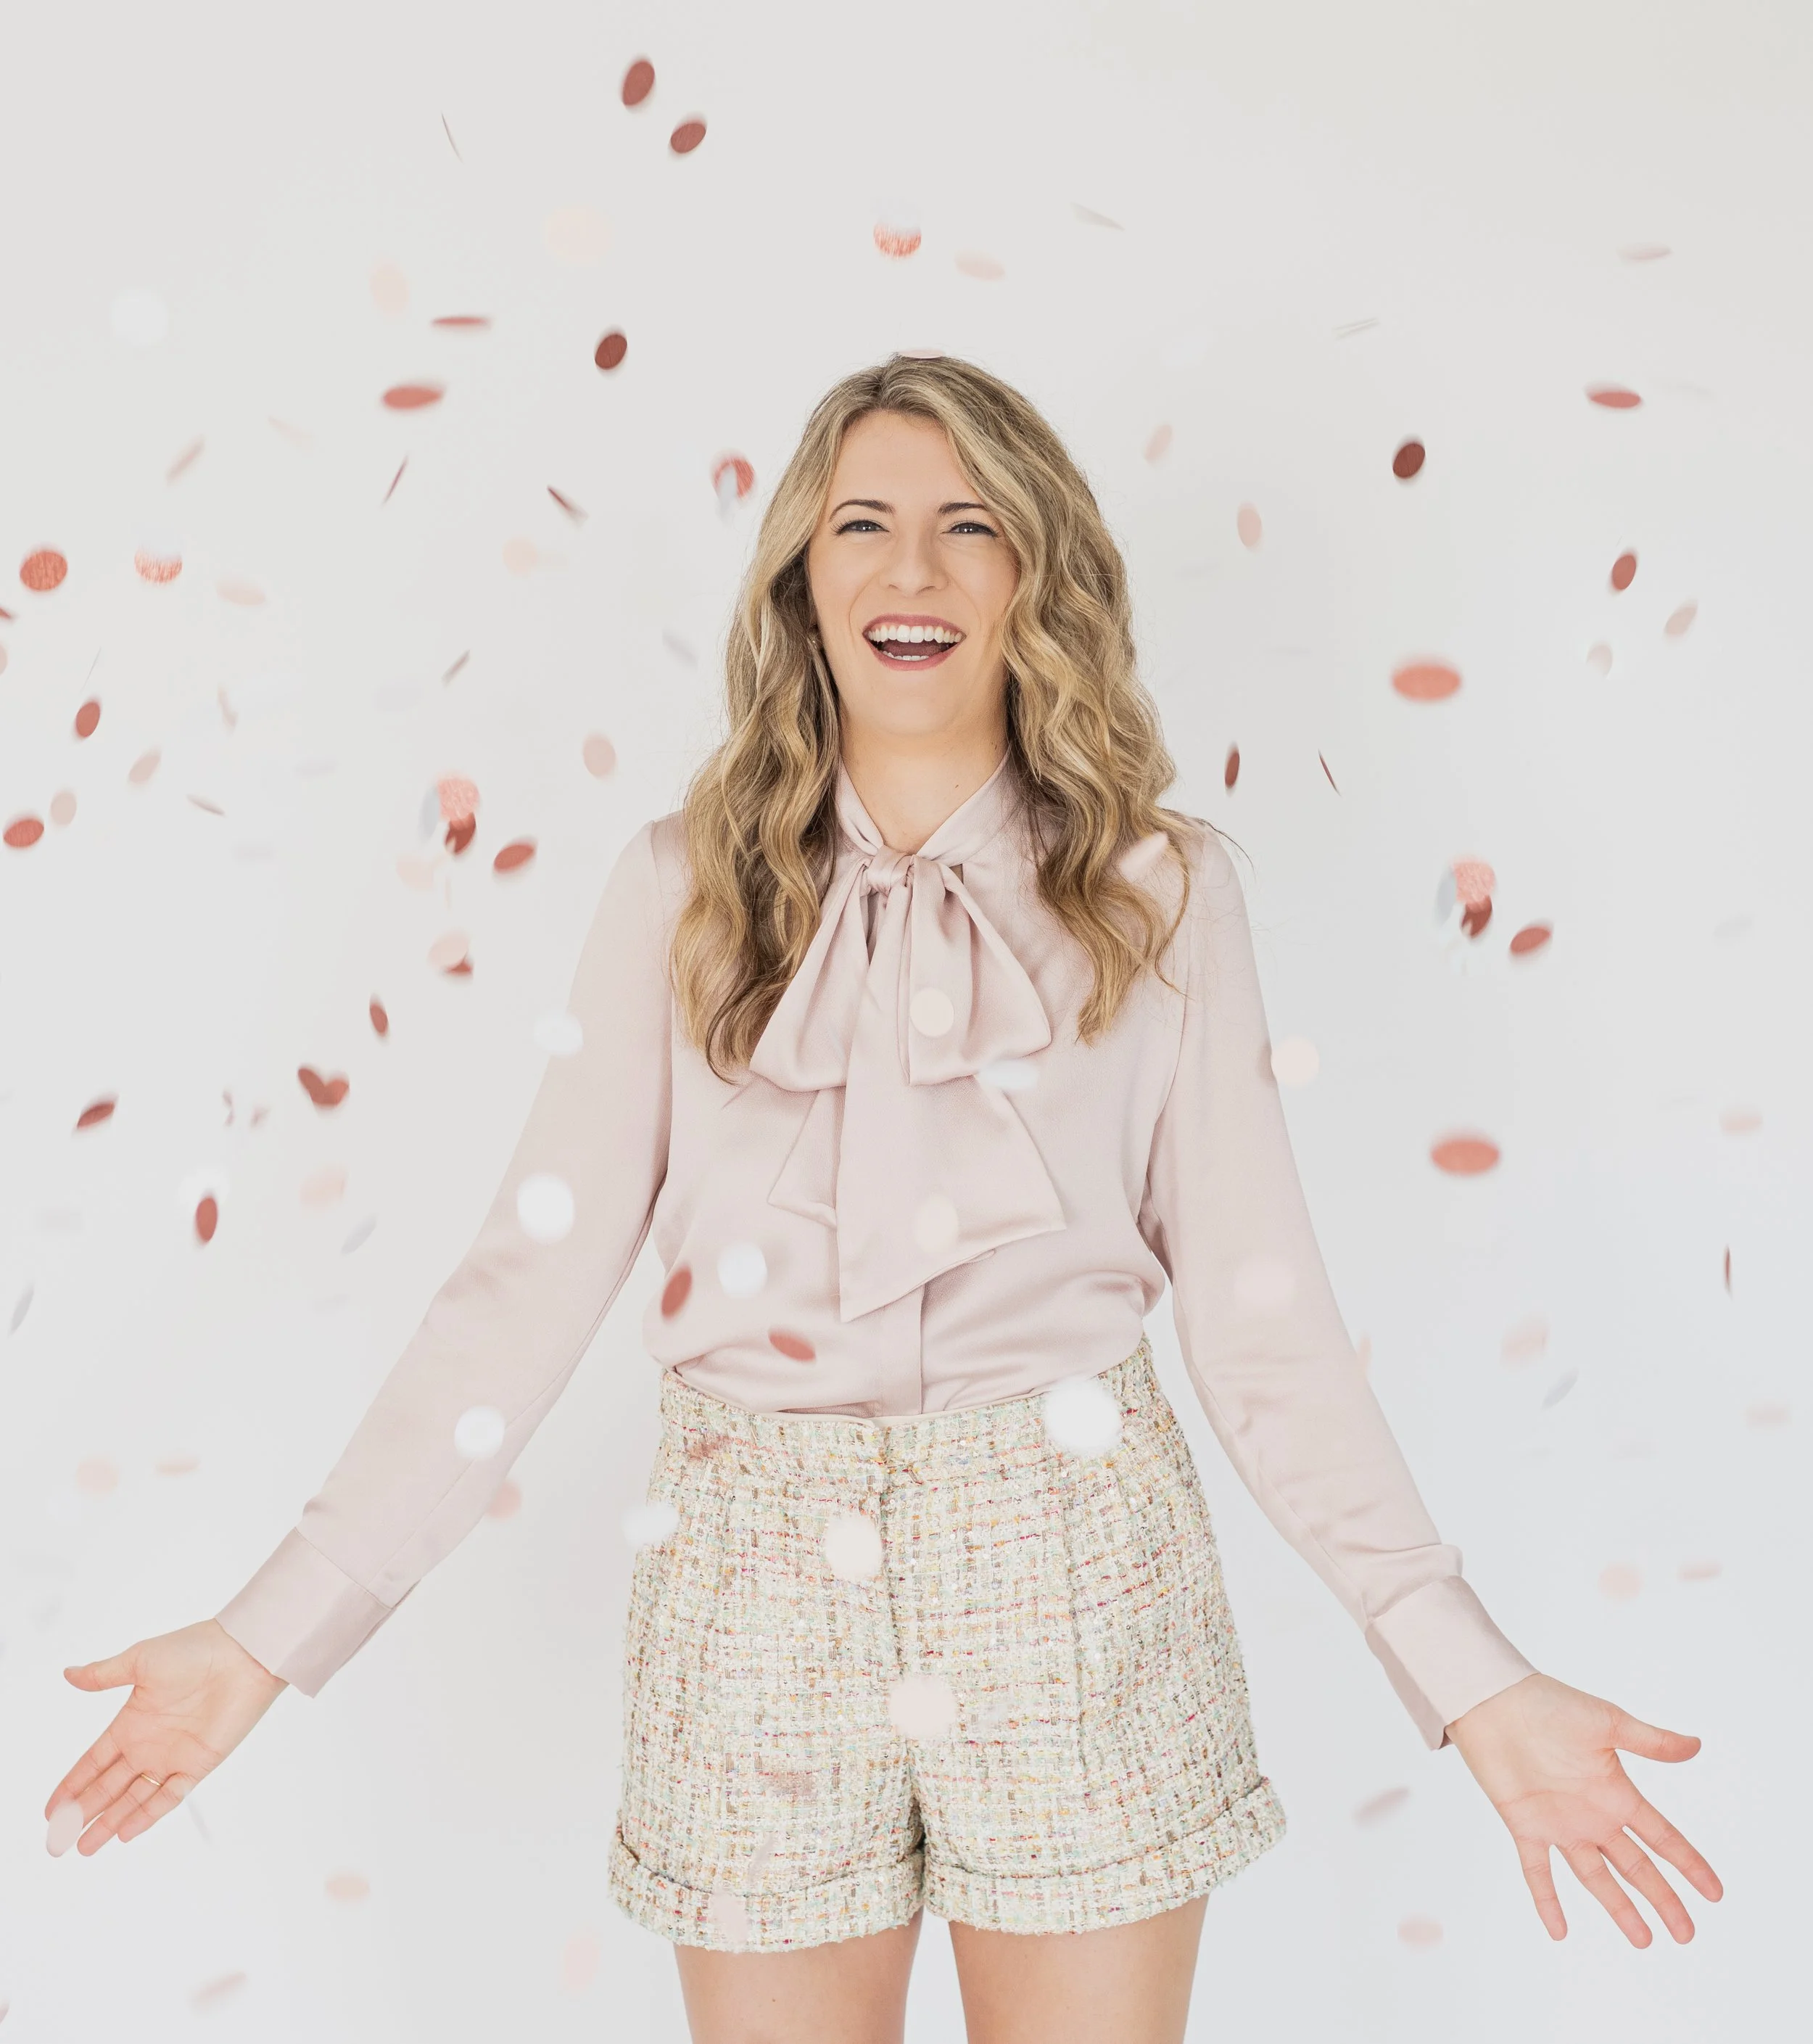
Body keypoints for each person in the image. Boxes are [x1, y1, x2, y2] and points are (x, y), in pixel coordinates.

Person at [46, 355, 1722, 2044]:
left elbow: (1258, 1319)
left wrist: (1467, 1673)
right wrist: (265, 1635)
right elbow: (517, 1294)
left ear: (1031, 576)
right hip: (748, 1569)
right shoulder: (676, 890)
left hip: (1078, 1562)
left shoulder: (1165, 895)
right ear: (802, 577)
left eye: (964, 525)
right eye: (863, 523)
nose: (909, 570)